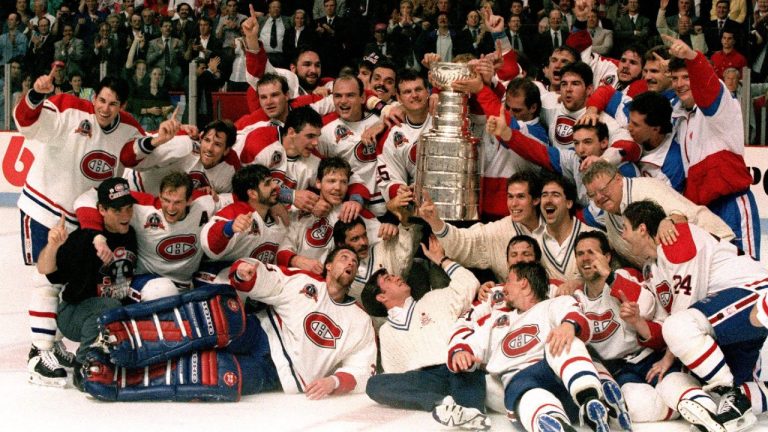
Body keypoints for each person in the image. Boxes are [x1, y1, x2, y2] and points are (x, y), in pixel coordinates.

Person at [15, 70, 181, 386]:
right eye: (101, 100)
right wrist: (36, 94)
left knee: (64, 284)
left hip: (82, 217)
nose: (104, 108)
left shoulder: (128, 127)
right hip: (43, 207)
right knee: (44, 281)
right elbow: (26, 122)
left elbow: (131, 154)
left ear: (122, 106)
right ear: (94, 97)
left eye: (113, 104)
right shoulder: (68, 108)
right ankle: (39, 353)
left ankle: (53, 344)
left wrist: (160, 138)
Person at [82, 247, 376, 401]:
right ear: (328, 265)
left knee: (211, 374)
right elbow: (270, 280)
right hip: (261, 335)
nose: (349, 263)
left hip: (278, 375)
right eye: (343, 257)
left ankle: (114, 378)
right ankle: (124, 338)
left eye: (353, 262)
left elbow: (362, 368)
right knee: (219, 313)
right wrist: (248, 272)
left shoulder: (359, 320)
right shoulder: (304, 282)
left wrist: (334, 382)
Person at [620, 199, 767, 431]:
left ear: (642, 228)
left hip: (752, 292)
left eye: (625, 228)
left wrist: (667, 359)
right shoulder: (651, 268)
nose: (623, 237)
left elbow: (683, 311)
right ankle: (736, 392)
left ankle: (727, 388)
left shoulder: (676, 239)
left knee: (679, 329)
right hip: (727, 319)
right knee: (721, 399)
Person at [446, 261, 614, 432]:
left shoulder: (553, 304)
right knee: (529, 397)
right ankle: (554, 422)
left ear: (524, 283)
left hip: (557, 375)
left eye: (508, 281)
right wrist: (461, 352)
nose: (503, 288)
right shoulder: (496, 319)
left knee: (566, 340)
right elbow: (473, 340)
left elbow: (573, 313)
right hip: (520, 379)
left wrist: (568, 325)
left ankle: (589, 397)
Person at [362, 230, 486, 429]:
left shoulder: (434, 298)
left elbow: (469, 283)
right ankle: (444, 404)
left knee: (466, 375)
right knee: (375, 385)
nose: (396, 278)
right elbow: (398, 374)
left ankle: (469, 412)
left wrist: (442, 259)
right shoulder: (386, 332)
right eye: (389, 279)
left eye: (393, 275)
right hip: (427, 380)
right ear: (381, 297)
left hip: (455, 364)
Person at [35, 178, 138, 387]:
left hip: (111, 313)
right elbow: (46, 270)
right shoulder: (84, 240)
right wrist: (53, 246)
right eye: (118, 211)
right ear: (101, 209)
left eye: (129, 208)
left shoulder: (132, 234)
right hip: (74, 314)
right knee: (109, 306)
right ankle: (83, 366)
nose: (125, 215)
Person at [666, 34, 760, 260]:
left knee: (748, 272)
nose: (679, 84)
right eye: (675, 78)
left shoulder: (720, 104)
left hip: (731, 205)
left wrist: (692, 57)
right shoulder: (679, 116)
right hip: (703, 212)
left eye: (686, 77)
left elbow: (708, 89)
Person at [581, 161, 734, 268]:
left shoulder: (647, 187)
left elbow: (685, 215)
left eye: (603, 189)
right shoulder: (610, 215)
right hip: (676, 272)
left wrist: (669, 221)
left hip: (718, 252)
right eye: (592, 195)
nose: (599, 197)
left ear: (619, 179)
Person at [424, 172, 545, 283]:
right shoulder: (498, 230)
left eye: (521, 197)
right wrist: (436, 222)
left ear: (536, 200)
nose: (513, 204)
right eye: (510, 197)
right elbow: (466, 241)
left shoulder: (554, 226)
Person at [200, 164, 286, 281]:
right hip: (218, 280)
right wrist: (228, 228)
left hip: (254, 283)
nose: (275, 185)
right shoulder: (237, 211)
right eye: (268, 183)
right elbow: (209, 245)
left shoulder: (276, 217)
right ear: (252, 194)